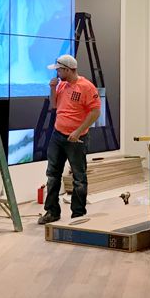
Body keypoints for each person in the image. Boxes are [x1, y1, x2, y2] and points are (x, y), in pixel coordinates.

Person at [37, 54, 102, 225]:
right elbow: (54, 105)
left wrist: (78, 131)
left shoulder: (86, 87)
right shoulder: (62, 85)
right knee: (52, 175)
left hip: (76, 139)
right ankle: (52, 212)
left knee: (79, 177)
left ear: (67, 70)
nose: (57, 73)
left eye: (59, 70)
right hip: (58, 135)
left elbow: (95, 112)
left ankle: (78, 214)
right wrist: (52, 88)